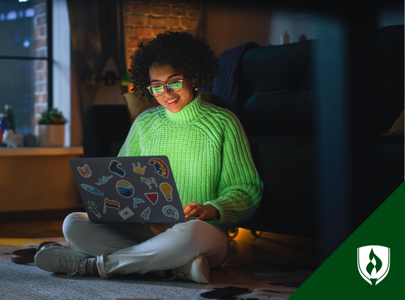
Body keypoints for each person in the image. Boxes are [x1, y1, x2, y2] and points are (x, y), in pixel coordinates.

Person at [34, 31, 263, 283]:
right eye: (156, 86)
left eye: (174, 81)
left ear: (193, 76)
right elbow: (117, 179)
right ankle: (175, 268)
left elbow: (247, 190)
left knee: (191, 233)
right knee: (73, 224)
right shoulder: (144, 123)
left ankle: (93, 266)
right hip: (145, 231)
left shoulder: (223, 124)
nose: (166, 93)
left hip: (198, 233)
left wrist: (211, 208)